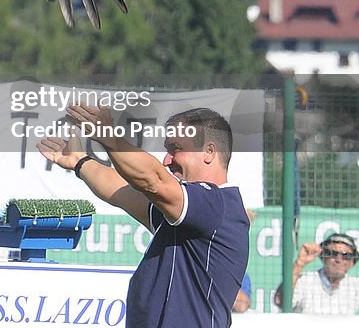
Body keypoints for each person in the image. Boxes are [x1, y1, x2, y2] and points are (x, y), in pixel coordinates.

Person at [39, 105, 249, 327]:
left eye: (176, 148)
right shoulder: (187, 213)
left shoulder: (216, 205)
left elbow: (153, 181)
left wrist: (108, 137)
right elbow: (122, 192)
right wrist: (80, 162)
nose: (167, 160)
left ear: (209, 152)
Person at [279, 204, 359, 314]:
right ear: (323, 257)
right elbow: (280, 301)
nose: (339, 259)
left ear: (352, 262)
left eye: (346, 256)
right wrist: (299, 264)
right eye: (333, 253)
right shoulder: (306, 281)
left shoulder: (357, 288)